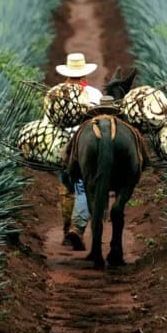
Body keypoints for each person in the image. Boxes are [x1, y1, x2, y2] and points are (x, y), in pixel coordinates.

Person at [55, 52, 102, 250]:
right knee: (83, 187)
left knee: (67, 188)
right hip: (88, 146)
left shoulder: (56, 93)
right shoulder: (94, 94)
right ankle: (77, 227)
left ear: (67, 73)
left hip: (64, 146)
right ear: (84, 75)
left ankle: (68, 231)